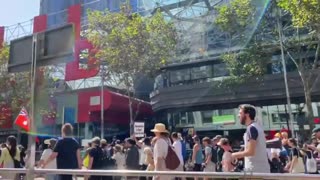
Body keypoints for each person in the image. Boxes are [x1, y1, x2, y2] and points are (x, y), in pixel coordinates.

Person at [232, 104, 270, 173]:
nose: (238, 116)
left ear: (247, 114)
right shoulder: (257, 127)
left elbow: (251, 152)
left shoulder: (251, 128)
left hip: (254, 170)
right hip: (262, 169)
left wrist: (234, 155)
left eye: (240, 113)